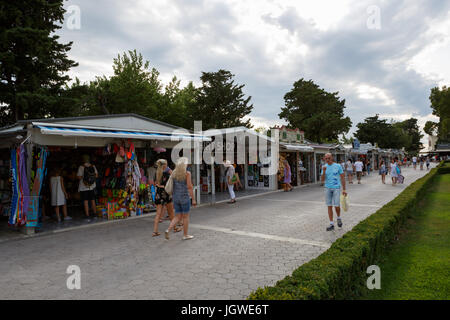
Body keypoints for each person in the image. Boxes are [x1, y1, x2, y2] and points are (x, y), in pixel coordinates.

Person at [165, 157, 196, 241]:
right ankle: (185, 235)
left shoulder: (174, 173)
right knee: (185, 217)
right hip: (184, 197)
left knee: (177, 216)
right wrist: (193, 199)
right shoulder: (187, 173)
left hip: (176, 197)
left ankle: (168, 229)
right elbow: (189, 187)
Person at [321, 153, 347, 232]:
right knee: (329, 206)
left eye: (329, 158)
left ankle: (338, 218)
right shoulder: (324, 167)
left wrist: (344, 189)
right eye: (326, 158)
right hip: (327, 188)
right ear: (324, 159)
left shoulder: (338, 166)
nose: (328, 160)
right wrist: (324, 171)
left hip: (336, 188)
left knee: (337, 206)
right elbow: (322, 180)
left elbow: (342, 177)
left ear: (332, 158)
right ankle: (331, 223)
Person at [153, 159, 177, 237]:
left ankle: (155, 231)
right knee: (171, 213)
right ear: (164, 166)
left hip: (158, 194)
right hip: (166, 194)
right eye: (166, 165)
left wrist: (159, 186)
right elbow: (168, 185)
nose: (167, 166)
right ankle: (175, 228)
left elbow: (155, 184)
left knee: (158, 214)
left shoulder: (156, 173)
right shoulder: (167, 174)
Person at [77, 155, 98, 220]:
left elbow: (78, 177)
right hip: (92, 187)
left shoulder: (81, 167)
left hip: (84, 187)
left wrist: (84, 177)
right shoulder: (93, 166)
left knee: (85, 201)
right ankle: (95, 214)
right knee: (93, 200)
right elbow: (96, 175)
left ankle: (87, 215)